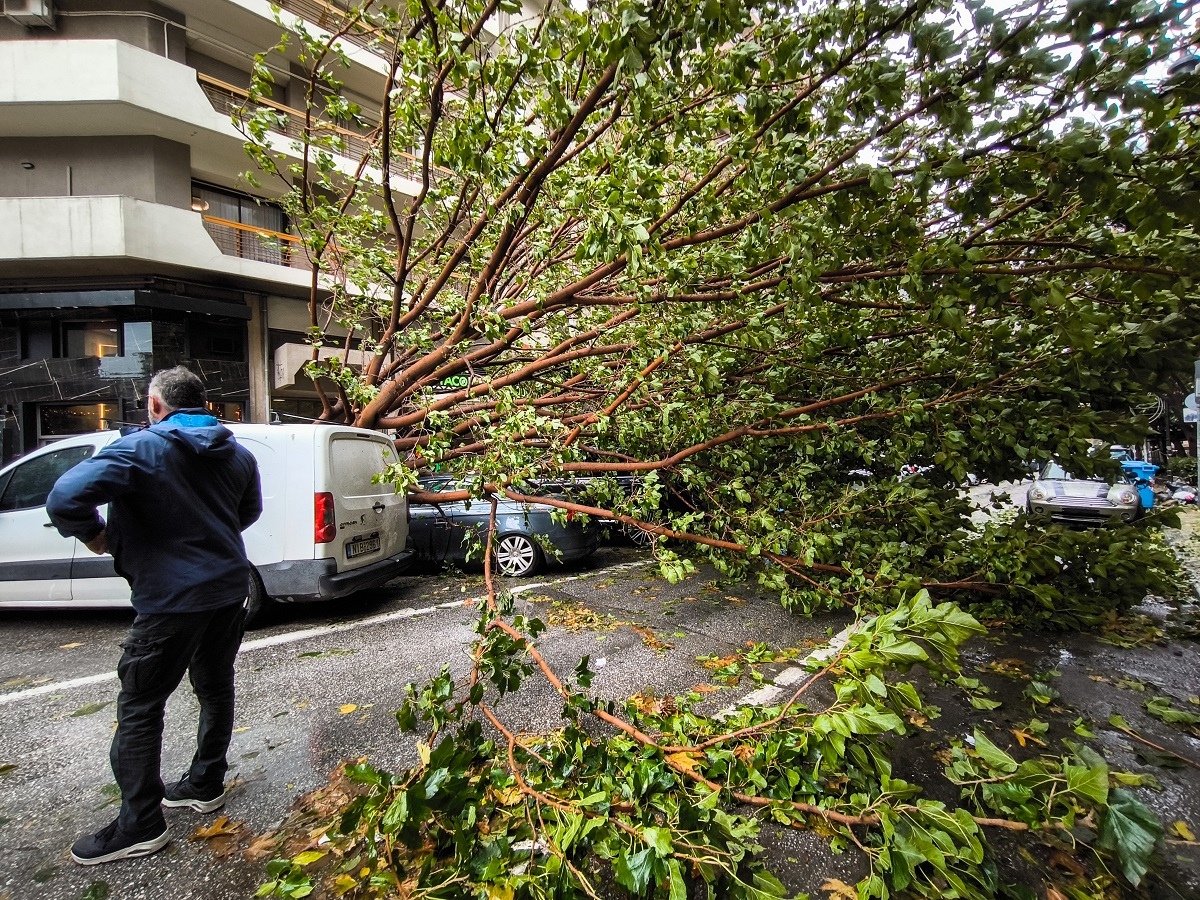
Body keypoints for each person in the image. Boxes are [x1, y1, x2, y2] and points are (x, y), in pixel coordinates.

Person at [47, 366, 262, 866]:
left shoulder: (141, 449)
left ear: (155, 405)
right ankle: (205, 784)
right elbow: (246, 514)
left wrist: (96, 535)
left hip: (170, 600)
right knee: (214, 686)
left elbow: (63, 497)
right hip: (229, 591)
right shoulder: (239, 454)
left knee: (141, 705)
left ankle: (140, 822)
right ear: (203, 403)